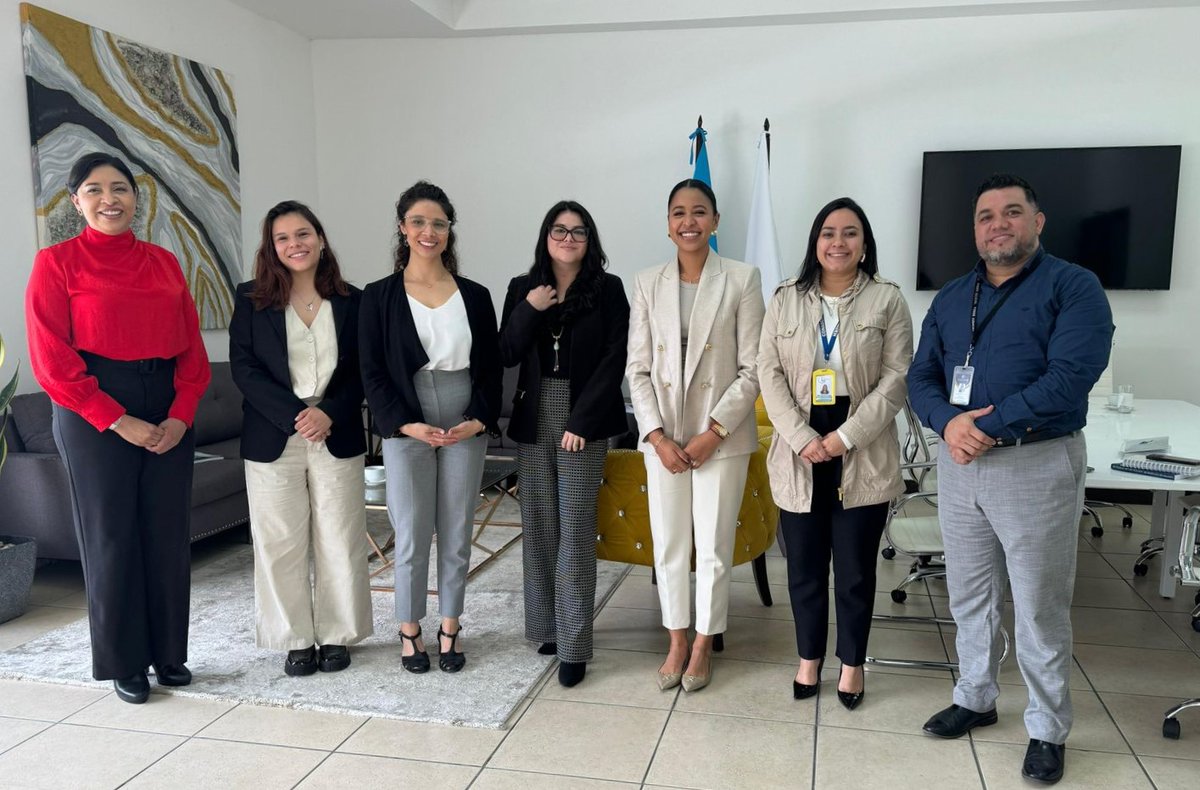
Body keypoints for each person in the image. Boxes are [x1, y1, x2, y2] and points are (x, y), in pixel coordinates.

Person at [908, 174, 1113, 785]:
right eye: (985, 216)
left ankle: (1047, 728)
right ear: (974, 229)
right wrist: (949, 425)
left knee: (1038, 604)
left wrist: (986, 425)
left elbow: (1070, 376)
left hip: (1034, 461)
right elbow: (920, 379)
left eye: (1011, 212)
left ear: (1038, 221)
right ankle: (975, 697)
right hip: (961, 463)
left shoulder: (1074, 287)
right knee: (969, 593)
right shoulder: (950, 298)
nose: (997, 224)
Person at [25, 152, 210, 704]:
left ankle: (168, 654)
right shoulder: (56, 263)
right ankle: (124, 661)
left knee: (166, 535)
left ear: (137, 197)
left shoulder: (164, 262)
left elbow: (193, 349)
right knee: (112, 537)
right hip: (93, 411)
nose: (110, 198)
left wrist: (180, 414)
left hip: (167, 402)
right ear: (75, 201)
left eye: (121, 188)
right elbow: (51, 358)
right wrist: (118, 420)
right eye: (95, 189)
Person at [757, 197, 913, 710]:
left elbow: (895, 381)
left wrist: (843, 438)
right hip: (799, 441)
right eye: (828, 232)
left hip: (860, 439)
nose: (838, 242)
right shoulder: (785, 298)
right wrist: (803, 437)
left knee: (854, 568)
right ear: (815, 242)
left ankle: (851, 664)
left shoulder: (887, 300)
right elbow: (768, 372)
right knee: (802, 565)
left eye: (850, 233)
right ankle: (808, 659)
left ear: (864, 243)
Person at [626, 178, 764, 693]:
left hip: (719, 437)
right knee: (670, 544)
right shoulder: (646, 282)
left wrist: (713, 432)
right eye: (679, 213)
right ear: (667, 223)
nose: (690, 221)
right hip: (662, 437)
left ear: (716, 221)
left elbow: (753, 368)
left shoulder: (742, 278)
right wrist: (657, 436)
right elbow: (637, 369)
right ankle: (676, 639)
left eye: (700, 212)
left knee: (712, 543)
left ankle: (705, 643)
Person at [359, 180, 501, 674]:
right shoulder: (378, 297)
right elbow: (372, 371)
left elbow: (490, 366)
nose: (429, 231)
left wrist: (478, 419)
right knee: (412, 531)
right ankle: (409, 630)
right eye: (418, 222)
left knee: (457, 529)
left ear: (449, 231)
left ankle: (450, 627)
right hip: (407, 414)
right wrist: (402, 424)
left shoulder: (476, 296)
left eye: (438, 223)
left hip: (465, 412)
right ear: (402, 228)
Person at [229, 200, 373, 677]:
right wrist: (298, 415)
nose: (295, 244)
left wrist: (327, 412)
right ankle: (294, 638)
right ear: (271, 248)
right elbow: (245, 371)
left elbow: (364, 372)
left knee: (340, 536)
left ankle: (336, 634)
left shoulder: (354, 300)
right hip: (274, 436)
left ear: (321, 238)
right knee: (279, 541)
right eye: (283, 238)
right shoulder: (250, 299)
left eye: (303, 234)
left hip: (337, 431)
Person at [499, 201, 630, 688]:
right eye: (560, 229)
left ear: (589, 239)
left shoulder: (609, 289)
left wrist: (582, 419)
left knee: (575, 524)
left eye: (578, 231)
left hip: (585, 416)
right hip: (535, 414)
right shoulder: (522, 287)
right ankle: (546, 629)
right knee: (539, 523)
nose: (569, 238)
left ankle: (574, 644)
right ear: (546, 236)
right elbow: (507, 350)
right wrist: (530, 309)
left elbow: (615, 359)